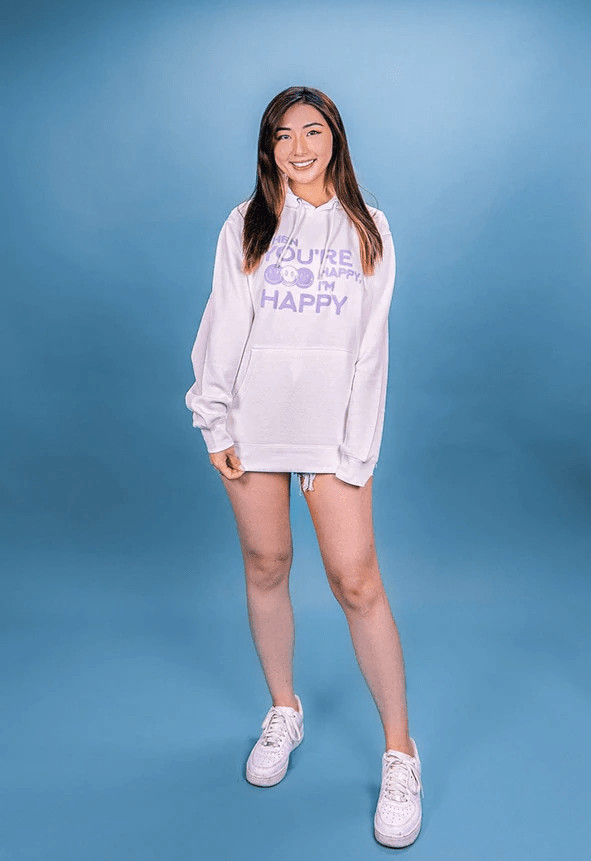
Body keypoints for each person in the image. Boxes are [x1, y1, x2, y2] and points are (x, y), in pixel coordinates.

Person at [184, 86, 424, 848]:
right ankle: (284, 709)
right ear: (269, 149)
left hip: (330, 436)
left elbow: (370, 351)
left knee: (357, 581)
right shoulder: (246, 223)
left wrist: (354, 449)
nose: (299, 148)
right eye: (283, 136)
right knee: (266, 563)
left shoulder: (368, 229)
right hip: (253, 426)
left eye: (312, 131)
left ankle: (400, 752)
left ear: (335, 139)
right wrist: (214, 416)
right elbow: (225, 321)